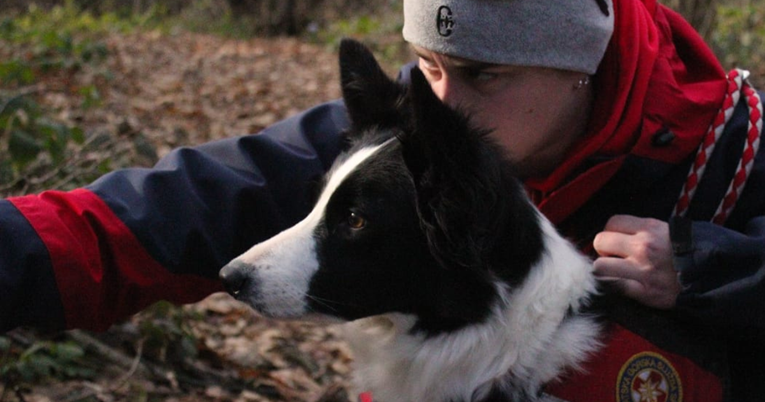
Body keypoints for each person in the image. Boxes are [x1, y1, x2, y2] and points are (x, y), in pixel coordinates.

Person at [1, 0, 763, 400]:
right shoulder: (413, 131)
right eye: (427, 65)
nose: (440, 100)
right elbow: (190, 204)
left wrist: (718, 271)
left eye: (480, 74)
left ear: (577, 63)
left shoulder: (731, 145)